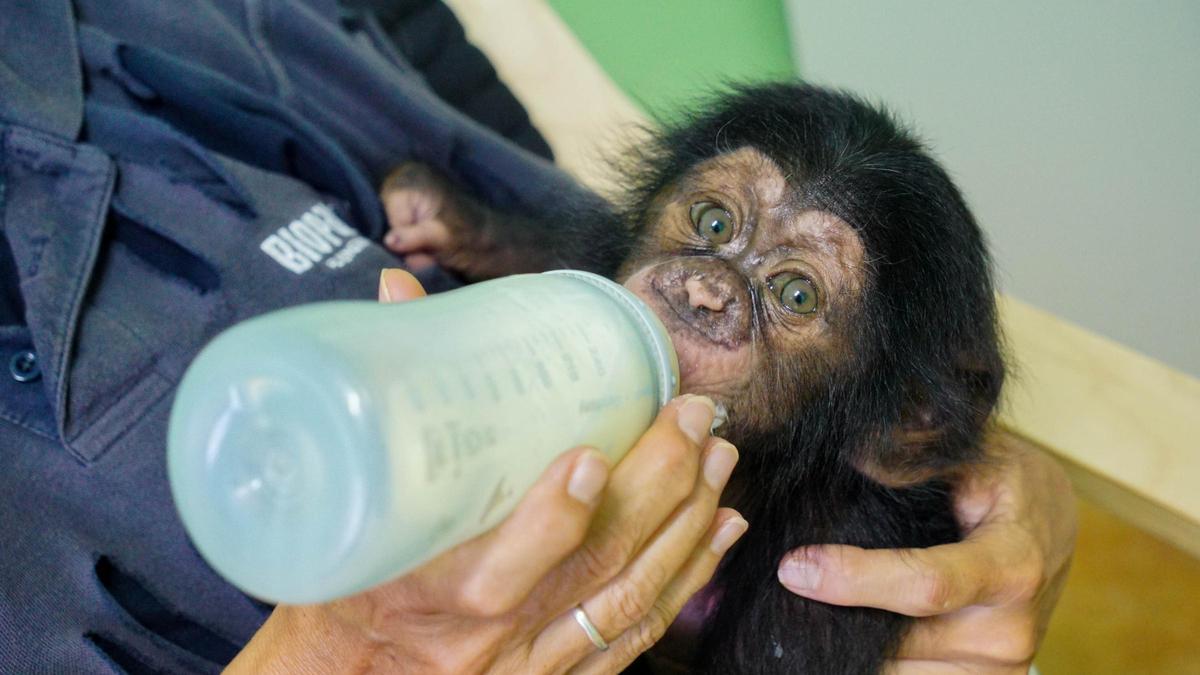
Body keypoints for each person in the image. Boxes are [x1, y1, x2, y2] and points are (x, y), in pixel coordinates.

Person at [0, 1, 1076, 672]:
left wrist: (994, 495)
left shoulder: (827, 583)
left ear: (900, 429)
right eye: (710, 221)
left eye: (793, 293)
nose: (706, 285)